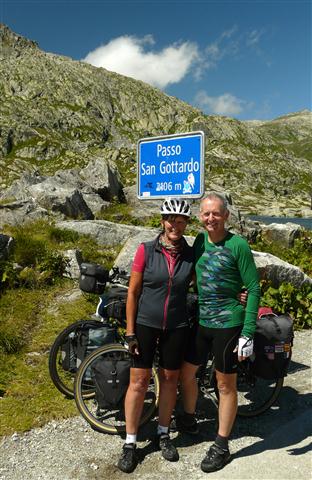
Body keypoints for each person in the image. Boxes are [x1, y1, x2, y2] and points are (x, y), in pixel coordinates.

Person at [174, 192, 260, 473]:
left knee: (225, 385)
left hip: (229, 324)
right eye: (206, 213)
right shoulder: (199, 241)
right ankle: (187, 419)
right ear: (200, 217)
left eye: (216, 213)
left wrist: (247, 332)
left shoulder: (238, 246)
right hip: (202, 322)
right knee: (186, 374)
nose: (211, 218)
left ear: (226, 216)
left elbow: (254, 287)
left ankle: (221, 445)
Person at [117, 198, 194, 473]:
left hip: (176, 325)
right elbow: (133, 293)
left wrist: (237, 293)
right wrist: (129, 331)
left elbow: (208, 283)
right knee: (138, 382)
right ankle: (130, 442)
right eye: (171, 218)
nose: (175, 224)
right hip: (146, 324)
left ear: (186, 224)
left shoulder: (191, 254)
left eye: (181, 220)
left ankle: (163, 433)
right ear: (162, 221)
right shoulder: (146, 250)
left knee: (170, 379)